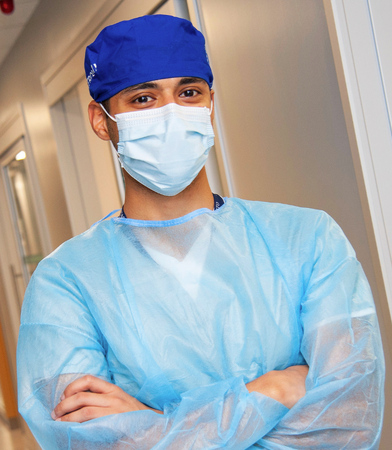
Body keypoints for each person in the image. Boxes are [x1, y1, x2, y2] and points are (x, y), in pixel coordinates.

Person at [17, 14, 384, 450]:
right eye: (142, 99)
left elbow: (349, 423)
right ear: (102, 121)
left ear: (210, 103)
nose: (171, 113)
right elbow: (86, 441)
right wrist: (273, 392)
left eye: (188, 92)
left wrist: (149, 424)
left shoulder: (306, 239)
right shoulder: (66, 281)